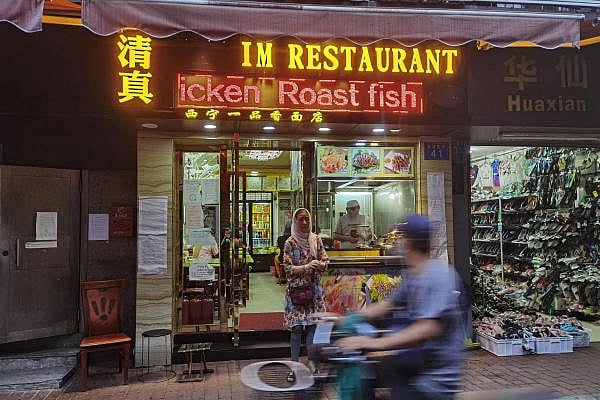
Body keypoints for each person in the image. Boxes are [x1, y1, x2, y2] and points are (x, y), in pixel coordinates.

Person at [335, 214, 464, 400]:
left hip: (431, 382)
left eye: (400, 237)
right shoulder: (413, 275)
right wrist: (345, 318)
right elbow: (386, 305)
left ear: (408, 243)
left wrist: (372, 343)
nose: (397, 242)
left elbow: (426, 328)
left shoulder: (438, 275)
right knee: (367, 372)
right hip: (415, 365)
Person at [282, 208, 329, 382]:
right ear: (295, 221)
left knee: (311, 329)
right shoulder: (290, 243)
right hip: (296, 293)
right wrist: (306, 267)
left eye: (307, 219)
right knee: (295, 330)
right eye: (301, 220)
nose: (304, 223)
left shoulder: (316, 240)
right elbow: (287, 269)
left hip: (313, 293)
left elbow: (326, 260)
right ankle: (293, 367)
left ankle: (312, 365)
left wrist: (320, 265)